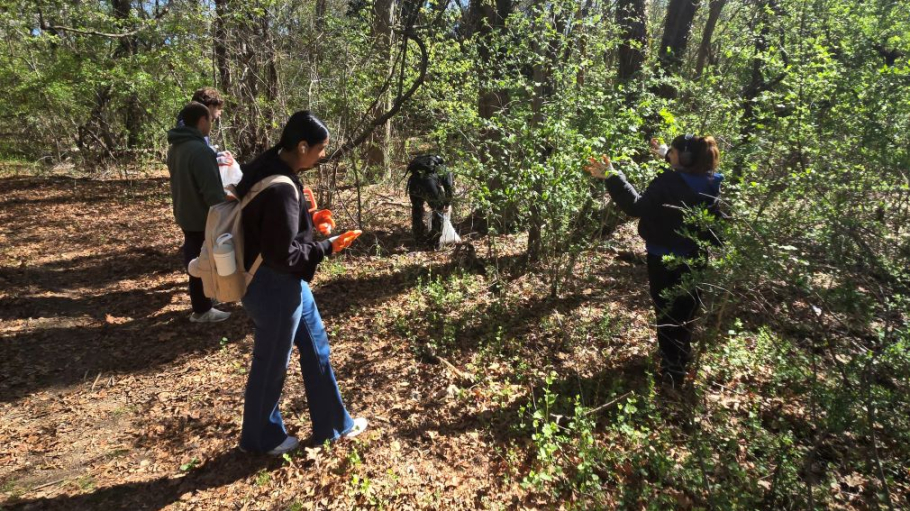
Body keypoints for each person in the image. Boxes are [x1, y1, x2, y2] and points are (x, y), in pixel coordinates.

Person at [234, 111, 367, 455]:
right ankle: (260, 438)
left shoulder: (267, 165)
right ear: (302, 145)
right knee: (271, 363)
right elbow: (286, 256)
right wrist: (328, 245)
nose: (322, 155)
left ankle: (334, 425)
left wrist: (310, 223)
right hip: (272, 287)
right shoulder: (280, 188)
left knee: (316, 346)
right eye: (320, 149)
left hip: (285, 284)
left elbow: (275, 232)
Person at [586, 135, 723, 386]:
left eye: (672, 151)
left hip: (663, 258)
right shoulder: (711, 181)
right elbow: (688, 172)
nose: (668, 153)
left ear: (684, 158)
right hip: (696, 258)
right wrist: (665, 152)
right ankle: (681, 358)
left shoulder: (669, 181)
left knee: (668, 313)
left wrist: (614, 177)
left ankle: (672, 371)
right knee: (686, 309)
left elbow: (637, 206)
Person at [166, 102, 231, 323]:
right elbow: (212, 193)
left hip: (185, 212)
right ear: (202, 120)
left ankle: (205, 300)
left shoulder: (176, 147)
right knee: (201, 261)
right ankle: (202, 309)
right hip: (200, 216)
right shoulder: (199, 150)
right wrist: (228, 208)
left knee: (196, 257)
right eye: (210, 120)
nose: (211, 125)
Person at [406, 154, 454, 247]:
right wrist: (447, 204)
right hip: (429, 184)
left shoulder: (421, 168)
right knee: (438, 210)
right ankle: (433, 242)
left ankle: (418, 238)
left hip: (413, 183)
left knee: (417, 208)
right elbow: (449, 188)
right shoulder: (446, 170)